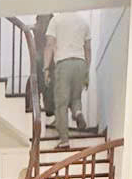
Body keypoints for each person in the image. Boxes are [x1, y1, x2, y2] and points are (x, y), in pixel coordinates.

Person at [44, 12, 91, 150]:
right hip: (80, 63)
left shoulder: (56, 20)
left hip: (63, 64)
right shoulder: (83, 22)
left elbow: (49, 45)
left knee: (61, 104)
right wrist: (87, 71)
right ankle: (78, 113)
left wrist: (46, 68)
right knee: (76, 98)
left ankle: (64, 140)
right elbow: (88, 49)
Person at [26, 14, 54, 119]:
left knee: (35, 83)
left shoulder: (37, 26)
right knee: (47, 84)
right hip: (49, 59)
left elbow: (27, 27)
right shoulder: (51, 27)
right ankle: (48, 108)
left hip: (38, 58)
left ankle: (33, 107)